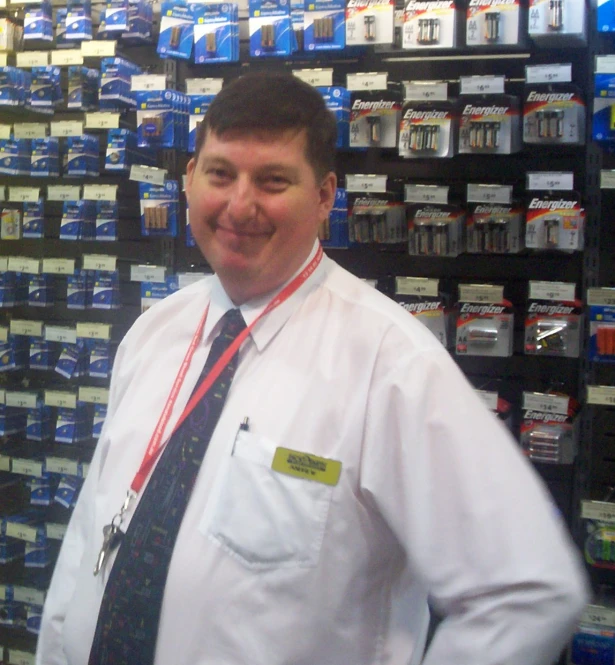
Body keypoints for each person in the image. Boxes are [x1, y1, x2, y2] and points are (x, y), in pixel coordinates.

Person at [37, 72, 588, 665]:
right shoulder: (153, 334)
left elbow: (527, 589)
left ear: (326, 196)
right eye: (221, 174)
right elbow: (86, 543)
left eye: (274, 181)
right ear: (189, 178)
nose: (240, 205)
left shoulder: (391, 364)